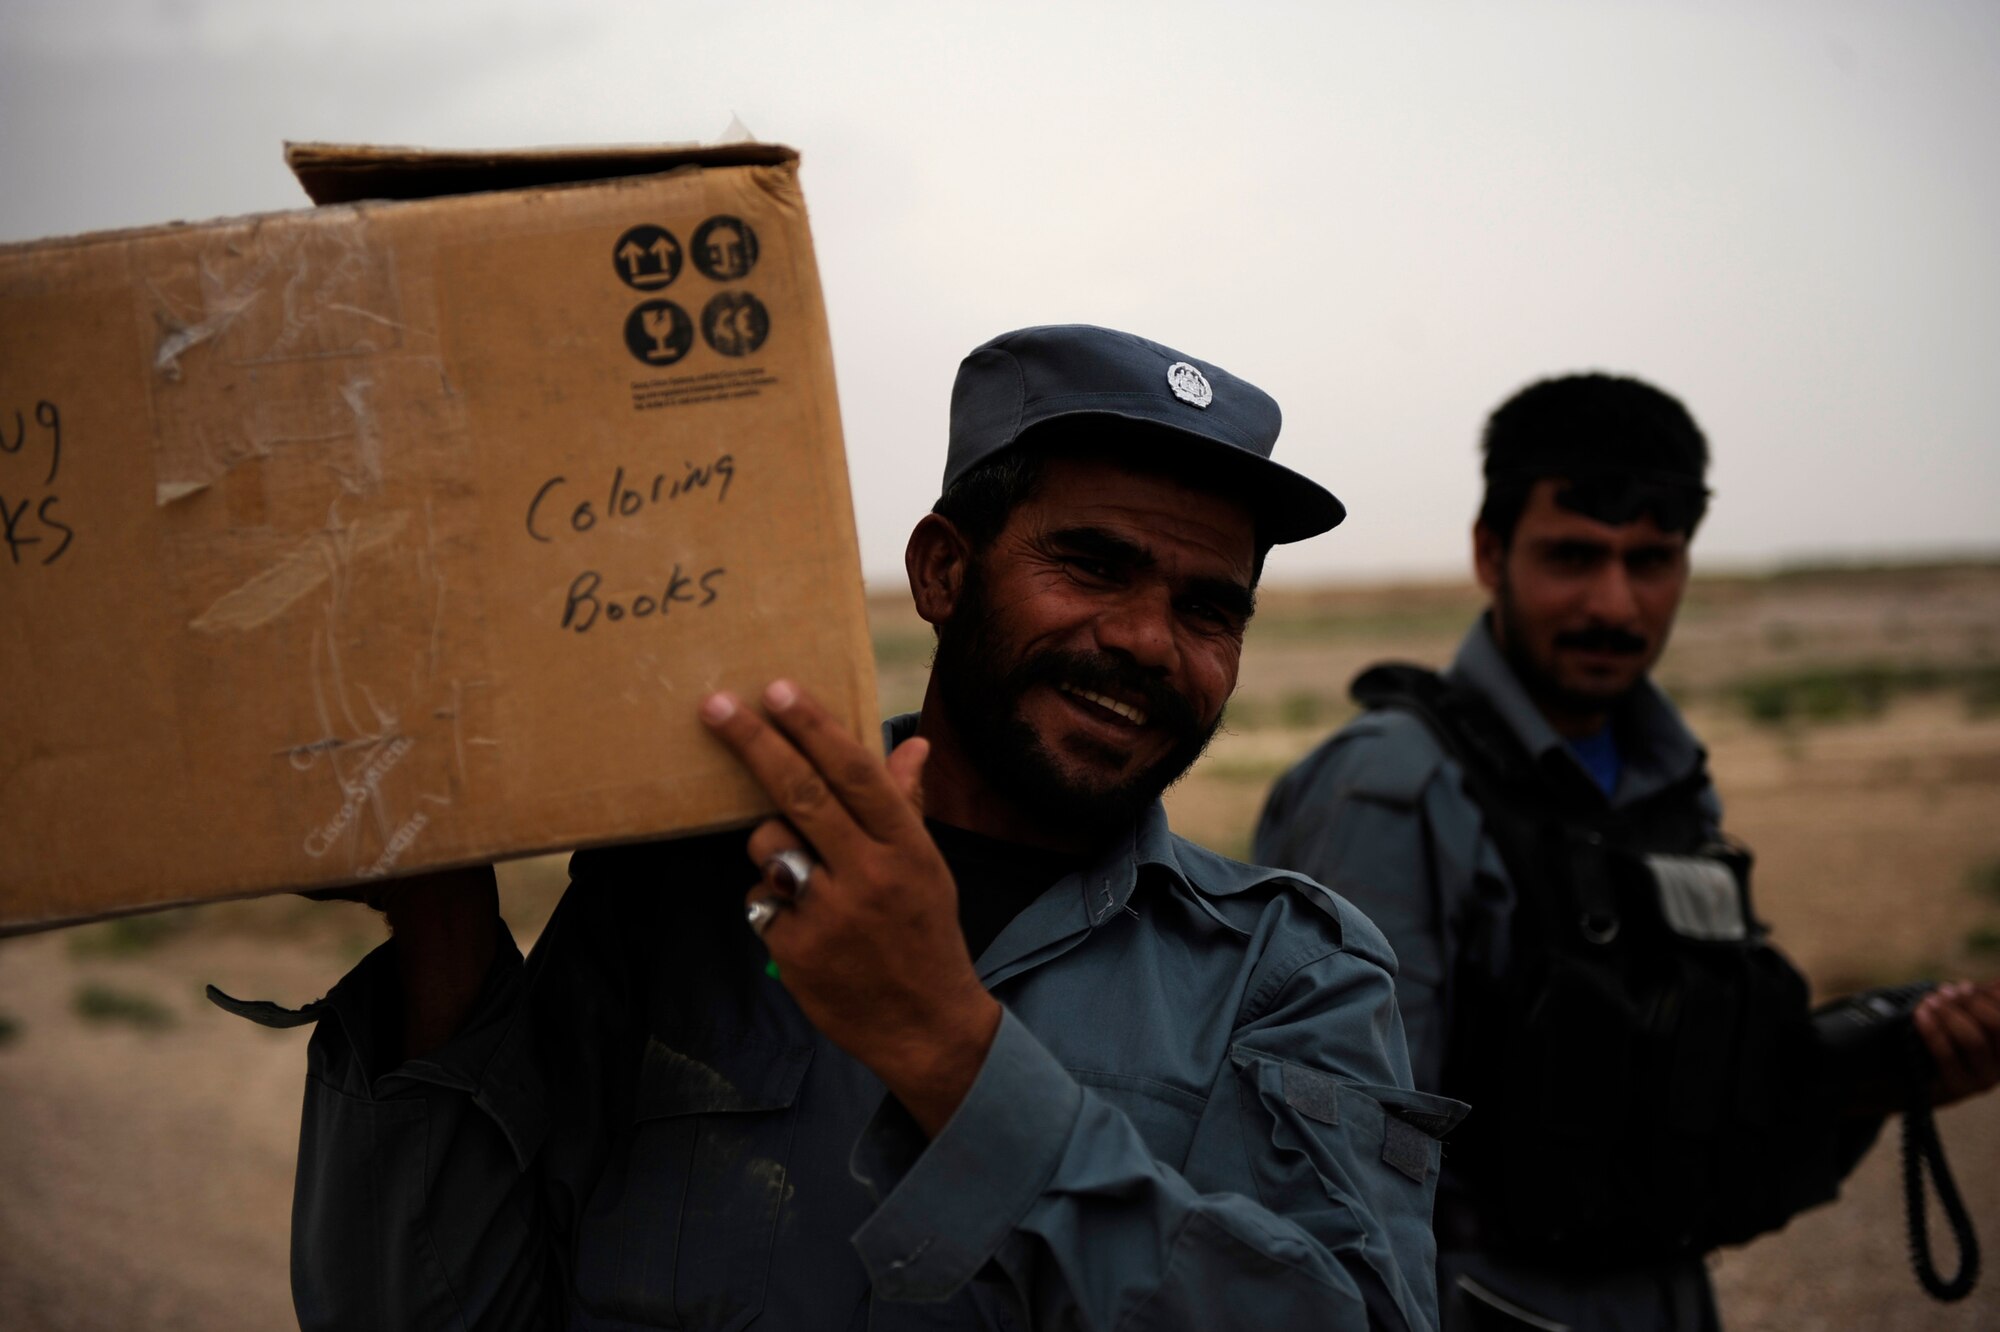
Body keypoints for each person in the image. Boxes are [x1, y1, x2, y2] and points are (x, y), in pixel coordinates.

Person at [215, 324, 1465, 1332]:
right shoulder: (687, 887)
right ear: (939, 572)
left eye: (1208, 608)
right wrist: (440, 916)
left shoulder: (1292, 973)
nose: (1145, 641)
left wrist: (945, 1049)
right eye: (1089, 564)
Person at [1252, 372, 2000, 1331]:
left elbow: (1671, 1105)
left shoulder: (1669, 785)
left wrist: (1880, 1071)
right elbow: (1340, 1167)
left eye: (1651, 560)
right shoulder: (1393, 788)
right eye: (1573, 555)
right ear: (1490, 552)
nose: (1614, 602)